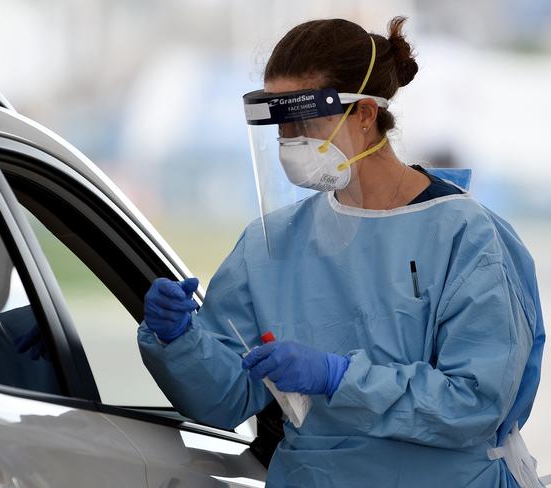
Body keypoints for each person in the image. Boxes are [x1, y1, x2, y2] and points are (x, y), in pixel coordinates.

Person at [138, 17, 545, 488]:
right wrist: (179, 341)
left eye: (306, 119)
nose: (290, 139)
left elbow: (474, 403)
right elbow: (223, 401)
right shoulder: (273, 244)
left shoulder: (467, 237)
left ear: (366, 115)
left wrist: (337, 377)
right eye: (280, 122)